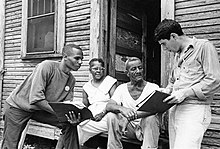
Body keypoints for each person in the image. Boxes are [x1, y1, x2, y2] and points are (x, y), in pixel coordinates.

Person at [1, 44, 84, 149]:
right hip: (18, 106)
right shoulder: (46, 67)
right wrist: (60, 113)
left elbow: (64, 105)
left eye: (82, 59)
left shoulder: (71, 80)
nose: (80, 62)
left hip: (41, 110)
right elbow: (36, 99)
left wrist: (71, 116)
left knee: (69, 123)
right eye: (77, 58)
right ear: (65, 56)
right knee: (10, 144)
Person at [154, 19, 220, 149]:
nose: (164, 49)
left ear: (173, 36)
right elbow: (173, 82)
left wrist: (185, 93)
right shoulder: (177, 55)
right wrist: (167, 91)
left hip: (194, 109)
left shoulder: (203, 47)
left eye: (164, 44)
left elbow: (214, 80)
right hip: (175, 110)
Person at [105, 57, 160, 149]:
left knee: (151, 118)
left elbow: (156, 109)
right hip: (127, 128)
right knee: (111, 116)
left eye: (140, 68)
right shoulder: (121, 88)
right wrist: (122, 109)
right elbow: (109, 106)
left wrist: (131, 117)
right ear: (127, 73)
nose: (138, 71)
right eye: (133, 69)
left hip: (145, 129)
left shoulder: (153, 87)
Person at [77, 58, 117, 148]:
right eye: (95, 69)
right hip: (92, 116)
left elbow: (115, 102)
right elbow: (84, 105)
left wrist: (102, 114)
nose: (98, 71)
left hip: (107, 114)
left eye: (101, 69)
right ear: (90, 70)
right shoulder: (86, 86)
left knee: (80, 128)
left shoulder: (110, 81)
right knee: (77, 126)